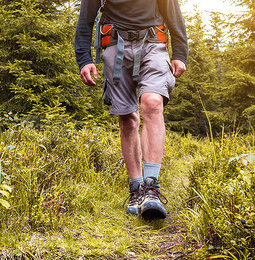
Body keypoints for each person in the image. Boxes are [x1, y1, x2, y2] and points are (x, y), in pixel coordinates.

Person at [74, 0, 188, 220]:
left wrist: (180, 53)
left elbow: (173, 12)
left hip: (154, 43)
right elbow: (85, 21)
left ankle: (151, 187)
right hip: (116, 46)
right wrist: (84, 60)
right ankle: (136, 189)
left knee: (152, 103)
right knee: (127, 117)